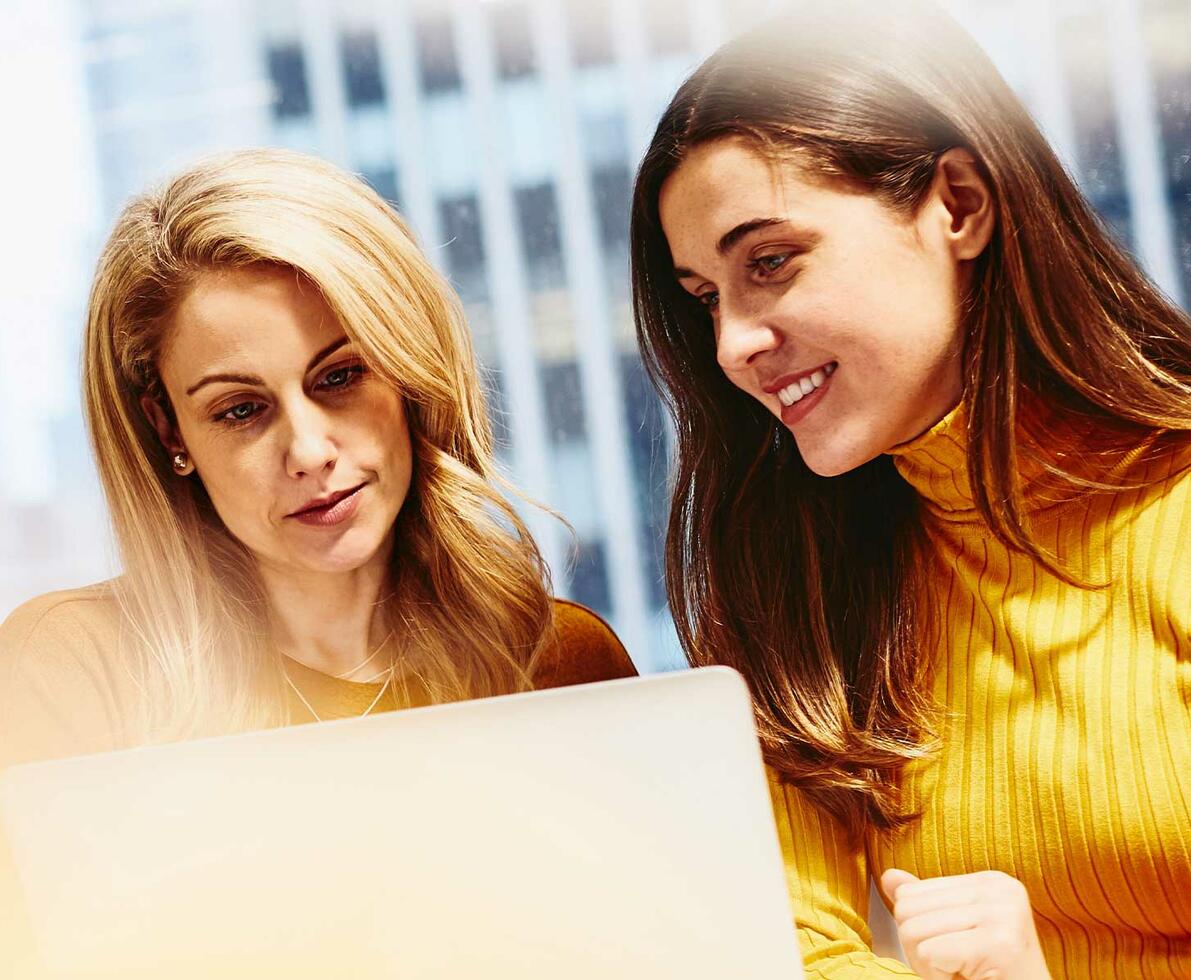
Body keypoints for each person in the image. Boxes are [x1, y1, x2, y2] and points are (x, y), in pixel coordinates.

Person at [630, 2, 1191, 977]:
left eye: (770, 261)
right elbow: (796, 950)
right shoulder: (788, 594)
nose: (732, 346)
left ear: (960, 205)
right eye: (708, 296)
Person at [0, 149, 633, 970]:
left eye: (338, 376)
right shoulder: (72, 669)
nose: (307, 449)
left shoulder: (556, 661)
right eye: (240, 409)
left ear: (407, 376)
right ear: (170, 434)